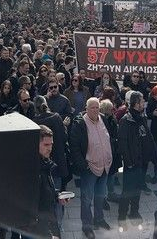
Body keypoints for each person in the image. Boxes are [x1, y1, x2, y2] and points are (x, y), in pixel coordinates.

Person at [69, 96, 116, 238]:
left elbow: (109, 138)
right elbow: (74, 147)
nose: (95, 110)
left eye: (97, 107)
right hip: (90, 169)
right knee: (86, 199)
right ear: (86, 109)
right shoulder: (79, 124)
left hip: (104, 167)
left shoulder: (103, 119)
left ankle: (99, 219)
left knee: (100, 196)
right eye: (92, 108)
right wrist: (84, 166)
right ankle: (87, 227)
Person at [117, 90, 151, 230]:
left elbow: (146, 136)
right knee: (127, 191)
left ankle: (134, 213)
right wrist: (129, 162)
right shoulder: (126, 120)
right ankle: (122, 216)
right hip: (131, 164)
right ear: (136, 104)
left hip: (141, 162)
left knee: (137, 190)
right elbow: (123, 144)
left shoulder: (141, 117)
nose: (144, 103)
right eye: (142, 101)